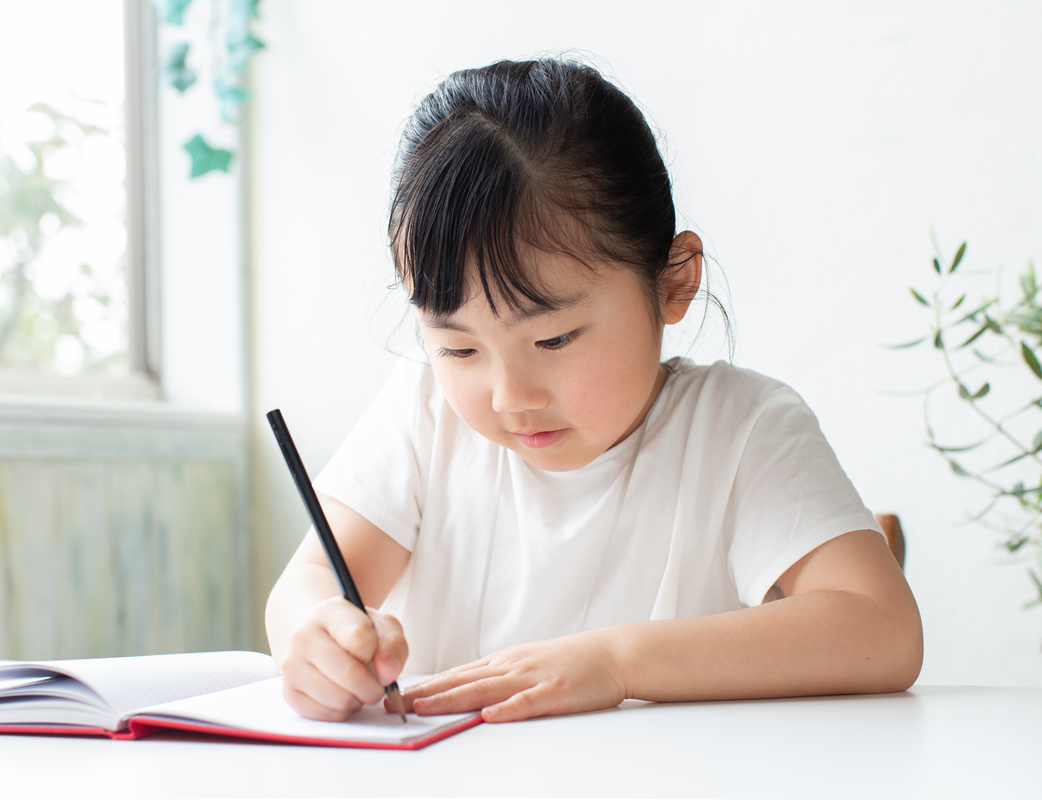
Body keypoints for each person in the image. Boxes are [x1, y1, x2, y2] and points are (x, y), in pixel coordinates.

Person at [265, 58, 923, 724]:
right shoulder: (422, 410)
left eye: (553, 341)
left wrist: (615, 663)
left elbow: (883, 629)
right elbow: (309, 585)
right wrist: (319, 640)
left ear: (674, 282)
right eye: (458, 348)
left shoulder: (742, 429)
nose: (509, 395)